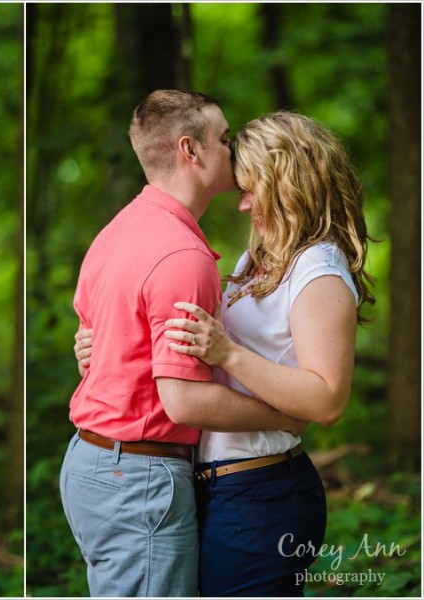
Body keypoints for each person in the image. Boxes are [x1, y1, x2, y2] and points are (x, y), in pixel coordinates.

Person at [75, 111, 374, 596]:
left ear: (290, 185)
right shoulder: (259, 259)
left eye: (253, 189)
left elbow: (327, 399)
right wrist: (105, 346)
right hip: (214, 486)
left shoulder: (319, 270)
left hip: (264, 492)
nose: (244, 205)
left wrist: (229, 354)